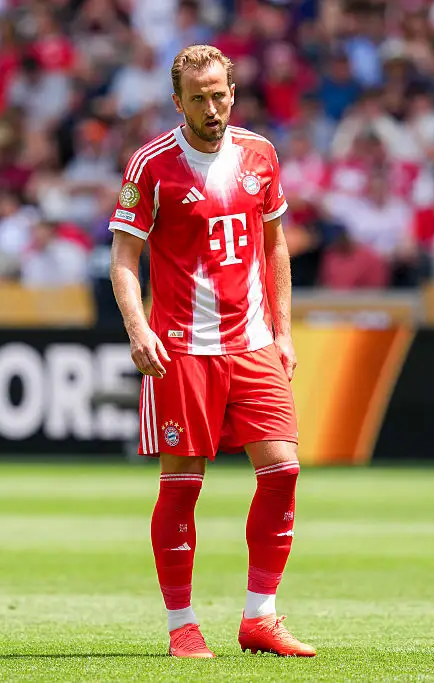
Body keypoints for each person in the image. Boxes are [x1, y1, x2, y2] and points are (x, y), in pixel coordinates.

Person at [108, 44, 314, 659]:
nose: (211, 107)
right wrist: (138, 328)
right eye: (197, 98)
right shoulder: (151, 165)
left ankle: (260, 617)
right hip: (182, 348)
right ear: (178, 103)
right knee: (182, 486)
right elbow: (123, 258)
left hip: (253, 342)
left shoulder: (260, 154)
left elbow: (274, 245)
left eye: (219, 94)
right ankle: (182, 626)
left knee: (283, 470)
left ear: (233, 93)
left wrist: (284, 331)